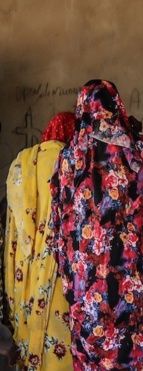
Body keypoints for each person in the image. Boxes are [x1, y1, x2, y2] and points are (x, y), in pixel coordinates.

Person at [49, 80, 143, 370]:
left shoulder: (69, 159)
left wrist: (68, 271)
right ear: (117, 106)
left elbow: (59, 223)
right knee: (135, 353)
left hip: (86, 282)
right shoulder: (142, 153)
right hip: (135, 279)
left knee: (93, 356)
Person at [4, 112, 76, 370]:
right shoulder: (70, 161)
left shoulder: (19, 164)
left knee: (26, 325)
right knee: (57, 336)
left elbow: (12, 224)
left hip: (24, 265)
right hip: (55, 267)